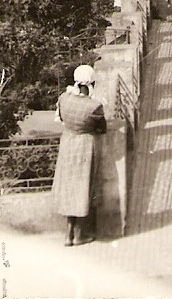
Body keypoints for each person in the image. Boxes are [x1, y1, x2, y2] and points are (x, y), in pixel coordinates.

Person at [52, 64, 108, 245]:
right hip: (85, 146)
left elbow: (61, 118)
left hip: (68, 143)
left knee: (69, 188)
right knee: (83, 188)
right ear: (92, 83)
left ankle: (67, 234)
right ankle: (79, 235)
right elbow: (102, 128)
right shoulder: (94, 106)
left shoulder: (64, 99)